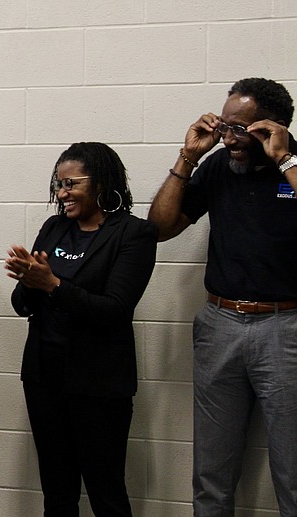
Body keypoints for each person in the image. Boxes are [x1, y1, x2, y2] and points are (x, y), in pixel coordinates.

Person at [148, 78, 297, 516]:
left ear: (271, 127)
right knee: (211, 474)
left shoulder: (294, 163)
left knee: (292, 472)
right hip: (221, 323)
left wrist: (286, 158)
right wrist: (188, 158)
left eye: (240, 130)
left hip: (286, 328)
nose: (228, 138)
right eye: (225, 127)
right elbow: (160, 228)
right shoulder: (218, 166)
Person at [6, 142, 158, 516]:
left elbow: (116, 310)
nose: (62, 194)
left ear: (101, 182)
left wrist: (52, 285)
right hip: (45, 377)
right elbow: (21, 305)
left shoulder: (133, 234)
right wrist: (29, 281)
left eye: (71, 183)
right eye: (58, 185)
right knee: (57, 493)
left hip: (99, 383)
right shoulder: (55, 228)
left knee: (106, 492)